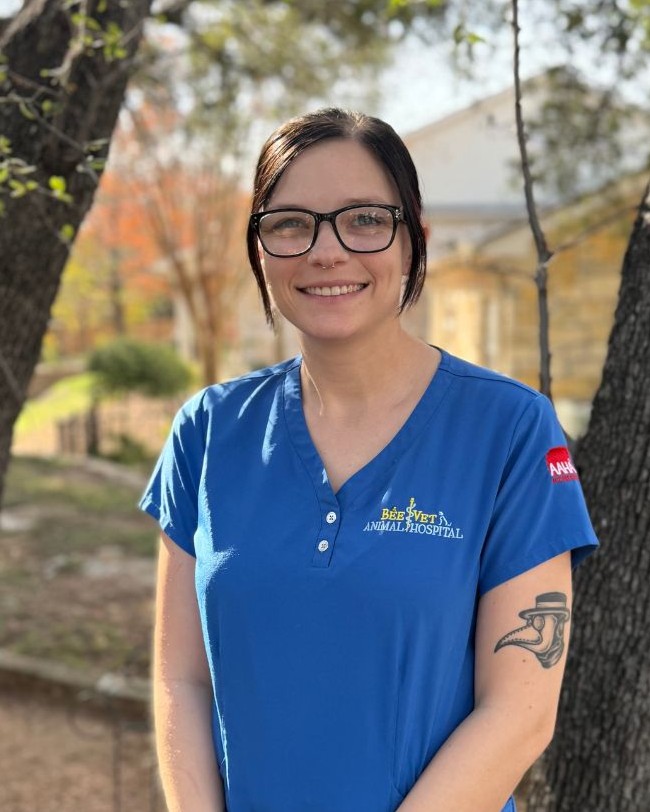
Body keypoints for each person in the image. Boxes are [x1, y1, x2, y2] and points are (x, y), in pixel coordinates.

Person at [140, 108, 598, 812]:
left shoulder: (511, 431)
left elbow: (520, 712)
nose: (327, 251)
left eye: (363, 219)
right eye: (291, 223)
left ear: (415, 239)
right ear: (260, 250)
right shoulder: (208, 432)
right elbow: (181, 682)